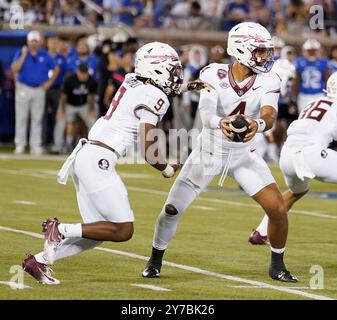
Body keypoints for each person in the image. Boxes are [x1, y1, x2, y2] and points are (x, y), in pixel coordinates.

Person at [21, 41, 208, 285]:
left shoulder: (132, 79)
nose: (175, 75)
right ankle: (61, 229)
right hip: (99, 160)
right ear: (157, 69)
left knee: (96, 232)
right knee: (123, 230)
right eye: (171, 70)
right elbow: (148, 148)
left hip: (86, 155)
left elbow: (155, 89)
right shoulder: (154, 95)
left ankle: (39, 261)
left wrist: (183, 87)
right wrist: (166, 167)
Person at [142, 22, 298, 283]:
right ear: (241, 49)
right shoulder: (213, 73)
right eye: (259, 51)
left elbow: (269, 114)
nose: (265, 57)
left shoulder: (270, 78)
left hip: (243, 155)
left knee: (278, 210)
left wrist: (256, 124)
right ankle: (154, 260)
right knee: (171, 210)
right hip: (208, 153)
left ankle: (277, 265)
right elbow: (206, 113)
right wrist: (222, 123)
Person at [249, 72, 337, 245]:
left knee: (297, 191)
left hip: (287, 154)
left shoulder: (315, 102)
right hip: (311, 154)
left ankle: (260, 232)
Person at [11, 30, 59, 155]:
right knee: (21, 117)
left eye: (35, 41)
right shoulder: (21, 53)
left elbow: (56, 68)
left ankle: (35, 145)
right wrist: (23, 55)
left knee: (37, 119)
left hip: (39, 89)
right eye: (31, 41)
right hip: (24, 88)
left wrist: (49, 82)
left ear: (39, 42)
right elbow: (14, 68)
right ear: (27, 42)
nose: (33, 44)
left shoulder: (44, 55)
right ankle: (20, 145)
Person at [60, 63, 98, 151]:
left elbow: (91, 97)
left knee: (92, 121)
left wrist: (91, 110)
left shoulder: (91, 80)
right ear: (77, 72)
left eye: (85, 72)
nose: (83, 75)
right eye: (82, 72)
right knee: (66, 122)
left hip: (84, 105)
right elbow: (63, 97)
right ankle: (65, 144)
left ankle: (93, 144)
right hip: (70, 104)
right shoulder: (70, 80)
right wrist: (62, 111)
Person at [292, 39, 330, 114]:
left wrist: (328, 96)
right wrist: (294, 96)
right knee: (303, 118)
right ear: (305, 51)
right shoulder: (300, 62)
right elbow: (297, 81)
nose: (312, 53)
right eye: (309, 51)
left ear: (318, 51)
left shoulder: (324, 63)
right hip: (303, 95)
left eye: (314, 50)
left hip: (319, 95)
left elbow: (327, 81)